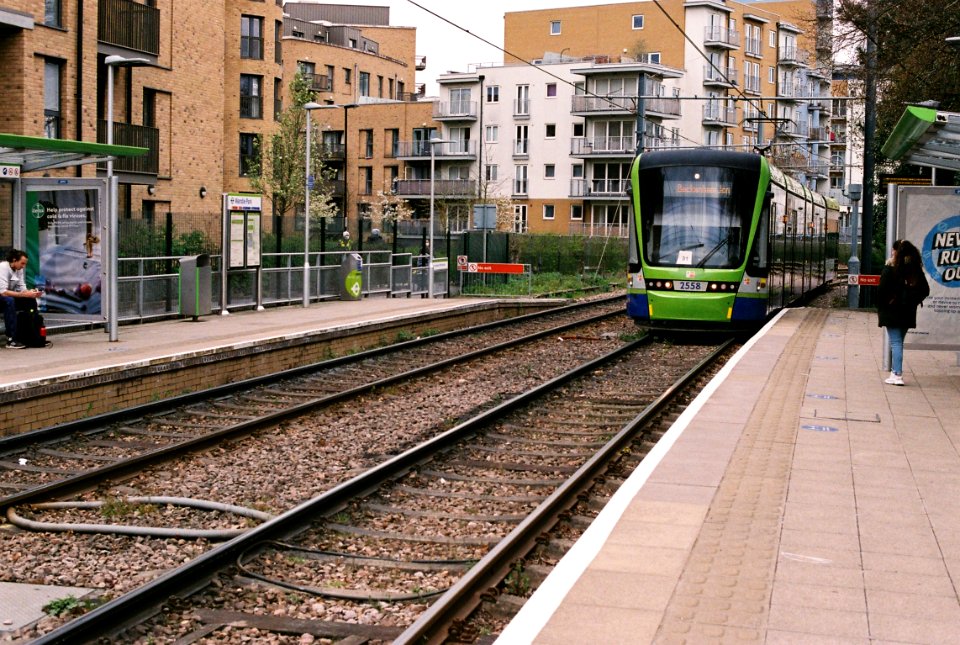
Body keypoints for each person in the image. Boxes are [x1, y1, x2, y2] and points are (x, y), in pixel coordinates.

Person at [877, 239, 929, 386]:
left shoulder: (889, 269)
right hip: (908, 312)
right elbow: (925, 290)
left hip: (891, 312)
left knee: (895, 342)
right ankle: (894, 372)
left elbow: (881, 291)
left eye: (894, 250)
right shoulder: (915, 270)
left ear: (896, 252)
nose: (892, 252)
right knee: (899, 342)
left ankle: (897, 375)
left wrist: (884, 305)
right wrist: (912, 301)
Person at [1, 249, 43, 349]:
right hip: (3, 297)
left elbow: (22, 288)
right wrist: (24, 294)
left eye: (25, 264)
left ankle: (33, 335)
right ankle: (11, 339)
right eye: (22, 263)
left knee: (30, 300)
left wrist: (30, 293)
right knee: (9, 301)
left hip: (8, 297)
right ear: (14, 260)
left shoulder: (19, 269)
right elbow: (3, 292)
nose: (23, 266)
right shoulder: (3, 268)